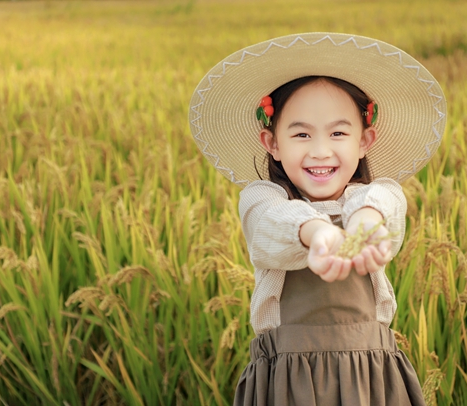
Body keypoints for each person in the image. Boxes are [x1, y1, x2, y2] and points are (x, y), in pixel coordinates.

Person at [189, 32, 446, 406]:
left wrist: (363, 225)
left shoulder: (371, 198)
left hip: (370, 377)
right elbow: (271, 224)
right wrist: (318, 234)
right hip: (289, 381)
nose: (320, 151)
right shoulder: (263, 198)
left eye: (338, 132)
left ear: (364, 140)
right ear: (272, 143)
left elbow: (384, 203)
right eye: (302, 134)